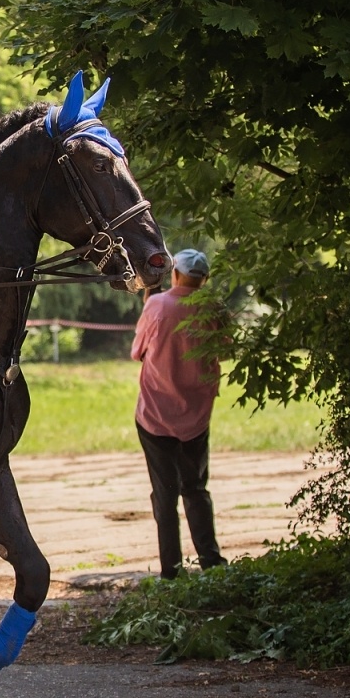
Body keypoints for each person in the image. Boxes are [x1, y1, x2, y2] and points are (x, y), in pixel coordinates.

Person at [131, 248, 228, 579]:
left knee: (164, 493)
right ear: (205, 280)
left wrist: (149, 301)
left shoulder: (156, 306)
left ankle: (171, 570)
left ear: (174, 274)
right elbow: (225, 348)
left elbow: (137, 352)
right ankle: (211, 562)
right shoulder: (213, 309)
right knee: (196, 488)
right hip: (196, 417)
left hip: (155, 416)